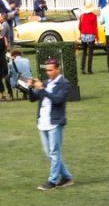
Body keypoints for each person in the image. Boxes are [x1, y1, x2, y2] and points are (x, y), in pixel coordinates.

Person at [25, 58, 73, 191]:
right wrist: (30, 87)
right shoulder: (45, 82)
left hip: (55, 122)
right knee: (50, 153)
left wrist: (43, 89)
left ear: (58, 69)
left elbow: (58, 100)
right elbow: (32, 99)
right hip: (42, 122)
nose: (48, 73)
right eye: (46, 70)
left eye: (51, 70)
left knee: (54, 152)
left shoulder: (64, 83)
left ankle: (52, 181)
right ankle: (67, 177)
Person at [79, 4, 98, 75]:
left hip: (83, 35)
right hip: (91, 35)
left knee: (84, 52)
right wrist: (97, 37)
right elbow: (95, 27)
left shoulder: (82, 16)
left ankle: (82, 68)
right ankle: (89, 69)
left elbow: (80, 27)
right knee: (90, 53)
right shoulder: (93, 16)